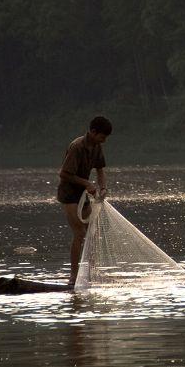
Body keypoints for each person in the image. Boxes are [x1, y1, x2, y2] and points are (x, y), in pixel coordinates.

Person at [57, 116, 112, 287]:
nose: (103, 141)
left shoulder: (96, 147)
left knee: (92, 233)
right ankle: (73, 277)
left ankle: (91, 272)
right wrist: (87, 183)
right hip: (69, 194)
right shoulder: (77, 146)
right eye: (102, 137)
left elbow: (100, 170)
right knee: (79, 233)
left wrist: (102, 188)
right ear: (93, 132)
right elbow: (64, 174)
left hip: (82, 194)